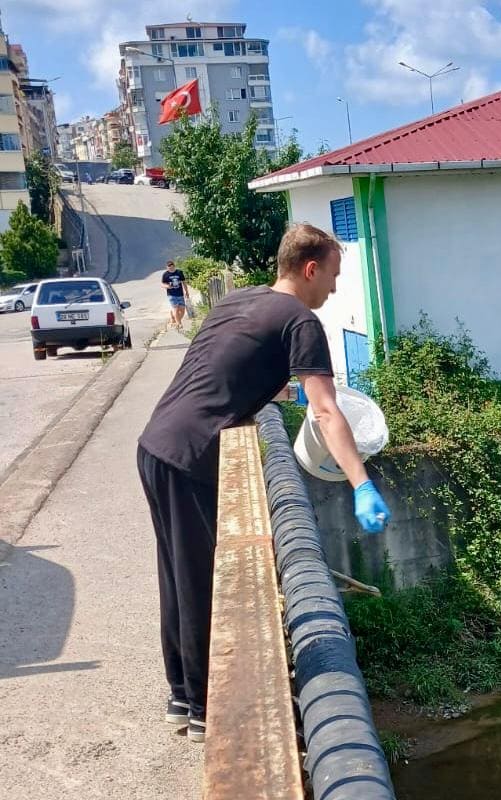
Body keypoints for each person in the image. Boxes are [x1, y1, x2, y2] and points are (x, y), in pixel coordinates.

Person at [136, 223, 391, 744]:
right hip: (190, 455)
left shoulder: (243, 300)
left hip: (156, 442)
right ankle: (206, 706)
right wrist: (361, 482)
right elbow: (325, 408)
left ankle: (183, 696)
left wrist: (269, 394)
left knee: (177, 574)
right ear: (311, 268)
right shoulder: (301, 321)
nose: (336, 290)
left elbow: (227, 366)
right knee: (200, 583)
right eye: (335, 276)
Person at [161, 260, 189, 329]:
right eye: (169, 267)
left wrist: (186, 291)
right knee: (176, 309)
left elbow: (184, 282)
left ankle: (174, 317)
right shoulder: (165, 274)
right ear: (167, 267)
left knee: (182, 310)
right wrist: (167, 286)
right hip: (171, 294)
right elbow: (162, 284)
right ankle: (179, 324)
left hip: (180, 294)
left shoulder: (179, 272)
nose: (171, 268)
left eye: (172, 267)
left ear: (174, 266)